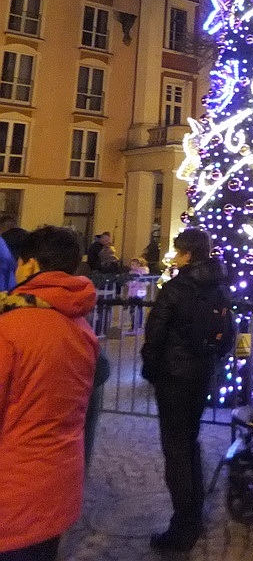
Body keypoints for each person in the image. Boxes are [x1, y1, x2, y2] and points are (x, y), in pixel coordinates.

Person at [0, 226, 99, 560]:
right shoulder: (82, 328)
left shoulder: (10, 326)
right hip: (58, 484)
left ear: (29, 266)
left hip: (12, 492)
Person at [141, 227, 233, 553]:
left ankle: (183, 525)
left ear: (189, 254)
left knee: (175, 449)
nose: (175, 256)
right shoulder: (219, 289)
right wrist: (208, 361)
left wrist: (151, 369)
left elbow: (155, 334)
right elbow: (228, 337)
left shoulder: (176, 289)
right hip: (202, 375)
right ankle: (194, 508)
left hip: (173, 377)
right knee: (189, 442)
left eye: (179, 251)